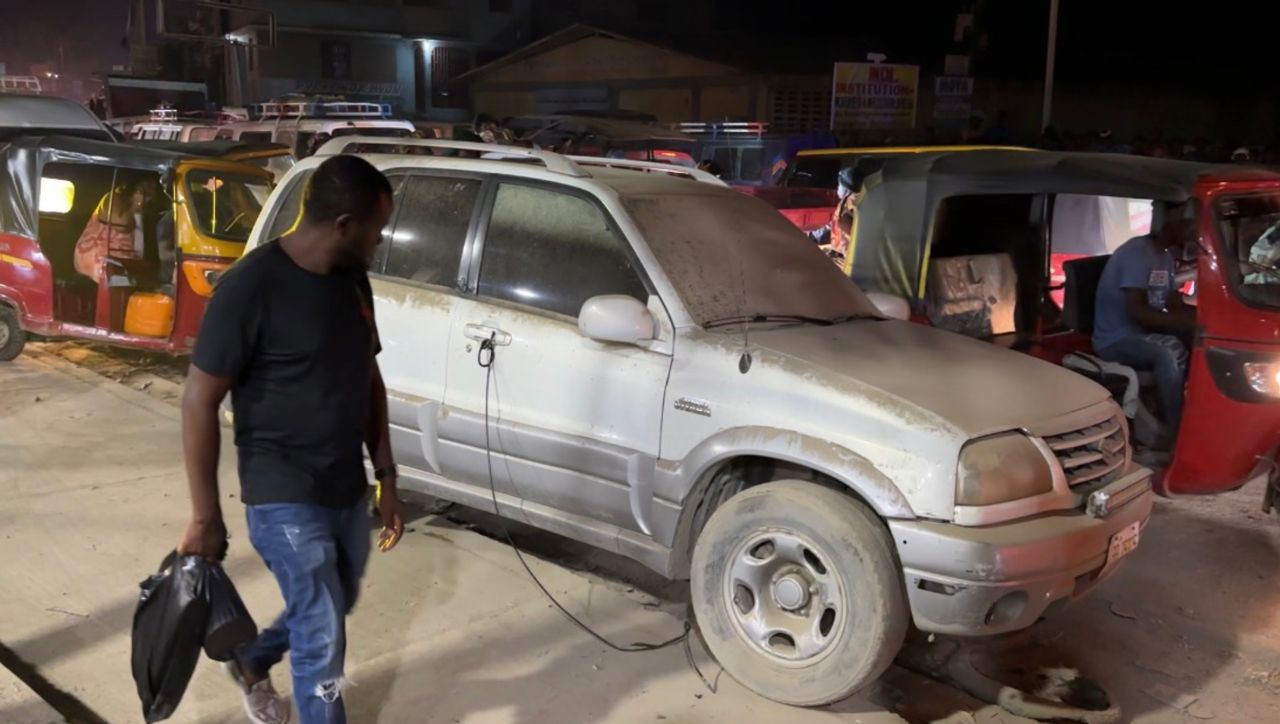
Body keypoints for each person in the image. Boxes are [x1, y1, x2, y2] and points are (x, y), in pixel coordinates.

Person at [178, 155, 404, 724]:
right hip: (281, 491)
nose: (381, 240)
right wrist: (206, 515)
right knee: (322, 632)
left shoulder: (353, 281)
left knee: (336, 600)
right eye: (377, 229)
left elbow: (367, 376)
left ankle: (252, 661)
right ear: (346, 225)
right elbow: (198, 400)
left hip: (343, 486)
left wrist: (387, 476)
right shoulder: (249, 289)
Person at [1092, 215, 1198, 439]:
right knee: (1169, 351)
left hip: (1143, 333)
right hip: (1116, 339)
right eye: (1190, 225)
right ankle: (1176, 433)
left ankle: (1195, 411)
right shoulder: (1136, 253)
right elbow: (1138, 312)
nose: (1193, 232)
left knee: (1201, 338)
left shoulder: (1165, 257)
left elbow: (1173, 304)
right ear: (1171, 221)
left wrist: (1205, 318)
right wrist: (1184, 321)